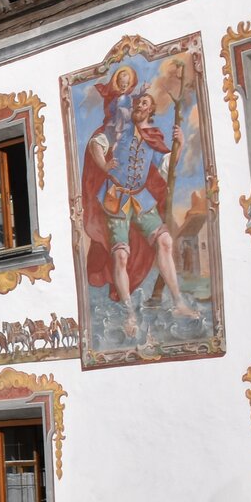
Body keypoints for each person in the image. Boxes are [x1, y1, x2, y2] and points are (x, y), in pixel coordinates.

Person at [80, 73, 199, 338]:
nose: (139, 106)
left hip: (141, 199)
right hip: (115, 200)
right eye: (137, 103)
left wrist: (177, 146)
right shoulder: (118, 128)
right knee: (120, 255)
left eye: (144, 103)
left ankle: (178, 301)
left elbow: (166, 167)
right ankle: (129, 314)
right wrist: (103, 164)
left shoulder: (154, 137)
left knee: (165, 241)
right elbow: (95, 145)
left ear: (151, 110)